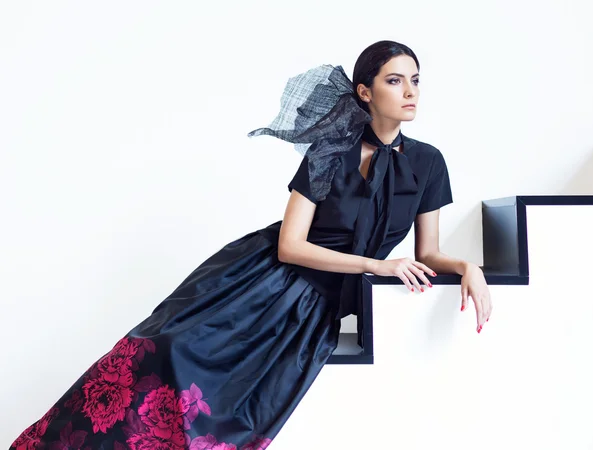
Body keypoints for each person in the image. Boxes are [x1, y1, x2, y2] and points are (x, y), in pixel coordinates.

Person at [9, 40, 492, 450]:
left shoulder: (428, 163)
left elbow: (428, 252)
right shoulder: (331, 150)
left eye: (416, 79)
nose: (410, 91)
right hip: (262, 280)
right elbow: (289, 246)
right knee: (161, 348)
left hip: (313, 309)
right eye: (394, 81)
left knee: (228, 416)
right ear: (364, 92)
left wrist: (467, 266)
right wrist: (377, 266)